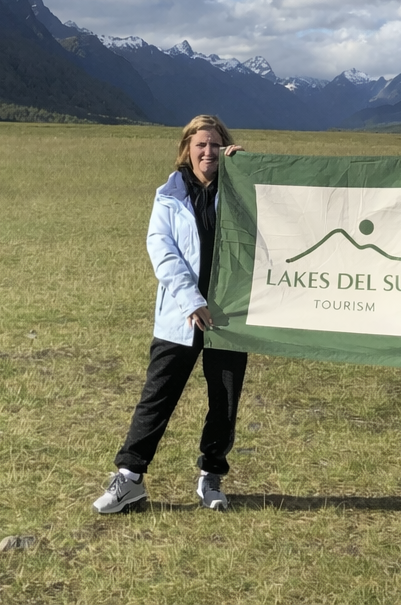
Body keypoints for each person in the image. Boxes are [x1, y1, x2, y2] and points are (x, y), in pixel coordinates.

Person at [93, 115, 247, 514]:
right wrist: (190, 299)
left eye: (215, 144)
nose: (208, 152)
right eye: (201, 145)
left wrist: (249, 173)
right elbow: (162, 250)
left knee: (224, 400)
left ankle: (210, 476)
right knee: (157, 397)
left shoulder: (239, 189)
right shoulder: (169, 196)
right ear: (187, 149)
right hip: (182, 315)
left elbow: (266, 228)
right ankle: (129, 479)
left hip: (229, 317)